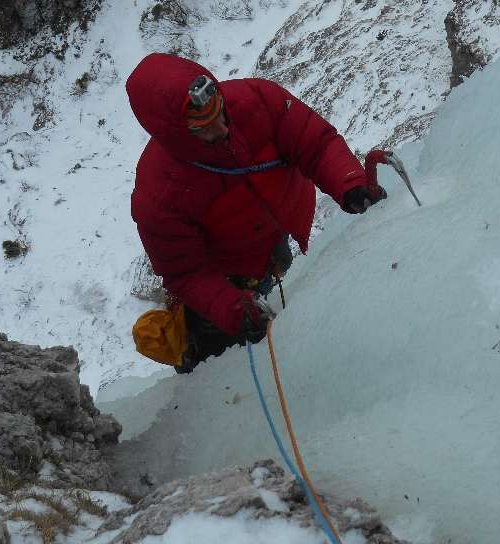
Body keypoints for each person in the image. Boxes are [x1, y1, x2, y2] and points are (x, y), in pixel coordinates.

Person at [126, 54, 385, 372]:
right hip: (223, 279)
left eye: (218, 109)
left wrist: (351, 184)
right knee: (222, 354)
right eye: (205, 128)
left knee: (265, 296)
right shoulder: (158, 197)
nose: (222, 128)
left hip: (272, 244)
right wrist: (233, 310)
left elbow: (315, 144)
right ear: (175, 135)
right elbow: (187, 273)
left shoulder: (257, 101)